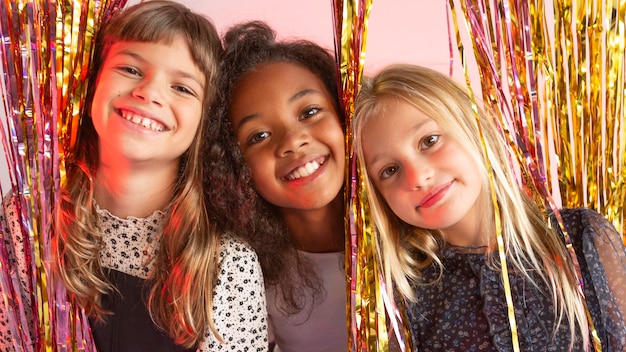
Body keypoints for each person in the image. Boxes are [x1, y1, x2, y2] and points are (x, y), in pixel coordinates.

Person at [0, 1, 268, 351]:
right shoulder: (27, 219)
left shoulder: (226, 265)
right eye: (130, 68)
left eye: (183, 88)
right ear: (93, 80)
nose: (150, 92)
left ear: (206, 122)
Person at [352, 63, 626, 351]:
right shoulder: (401, 295)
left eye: (429, 141)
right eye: (390, 170)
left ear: (472, 128)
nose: (418, 177)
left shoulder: (580, 237)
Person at [205, 21, 347, 351]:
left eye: (310, 111)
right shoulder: (242, 272)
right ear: (234, 167)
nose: (293, 141)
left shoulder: (415, 231)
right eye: (259, 136)